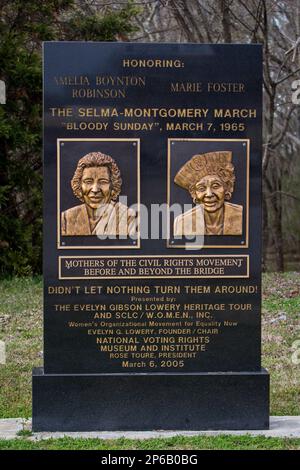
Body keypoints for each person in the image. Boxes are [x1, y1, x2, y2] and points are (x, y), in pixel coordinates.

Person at [61, 152, 136, 237]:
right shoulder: (66, 218)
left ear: (113, 185)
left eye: (103, 182)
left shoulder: (127, 217)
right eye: (88, 182)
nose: (95, 189)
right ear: (79, 185)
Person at [173, 151, 243, 236]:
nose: (209, 194)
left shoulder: (242, 216)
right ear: (194, 194)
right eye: (201, 188)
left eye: (216, 186)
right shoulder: (183, 223)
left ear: (227, 188)